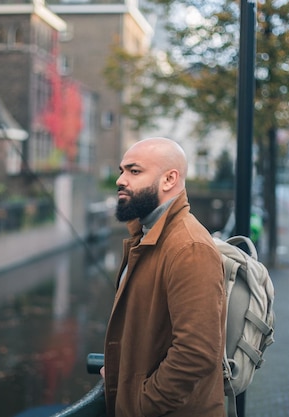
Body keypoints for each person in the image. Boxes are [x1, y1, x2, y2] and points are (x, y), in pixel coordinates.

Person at [100, 137, 227, 417]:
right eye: (122, 170)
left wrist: (141, 404)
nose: (121, 180)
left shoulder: (189, 248)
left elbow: (196, 352)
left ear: (169, 179)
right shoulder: (147, 235)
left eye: (134, 171)